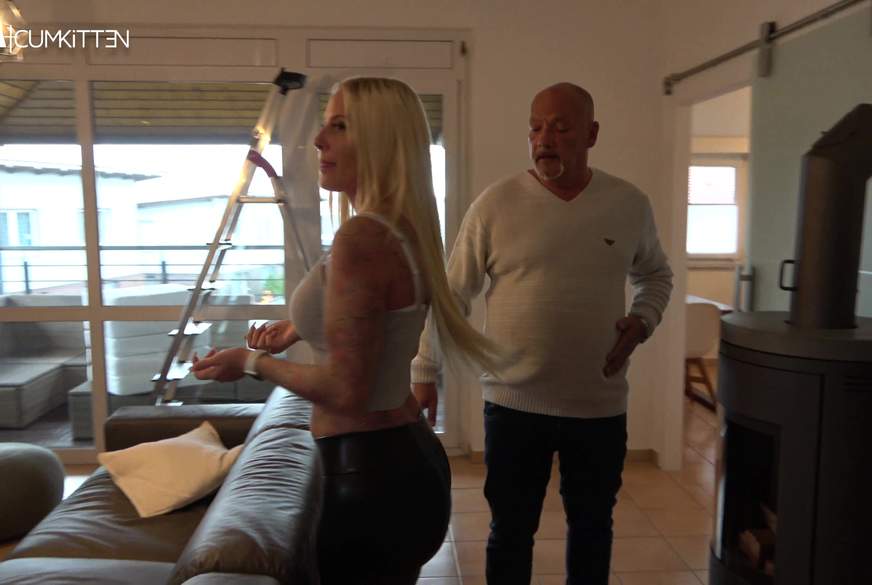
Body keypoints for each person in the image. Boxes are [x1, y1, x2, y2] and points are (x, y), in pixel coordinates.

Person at [191, 77, 500, 585]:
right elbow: (377, 319)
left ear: (379, 140)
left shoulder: (363, 237)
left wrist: (250, 362)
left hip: (370, 476)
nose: (319, 141)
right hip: (401, 458)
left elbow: (346, 391)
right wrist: (298, 329)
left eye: (338, 127)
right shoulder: (400, 227)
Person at [411, 82, 673, 585]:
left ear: (591, 134)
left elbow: (656, 275)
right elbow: (453, 294)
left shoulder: (628, 203)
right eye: (535, 127)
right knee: (510, 531)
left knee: (592, 528)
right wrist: (424, 368)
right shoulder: (496, 204)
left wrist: (643, 320)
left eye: (560, 127)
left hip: (598, 406)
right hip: (513, 405)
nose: (544, 138)